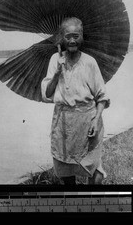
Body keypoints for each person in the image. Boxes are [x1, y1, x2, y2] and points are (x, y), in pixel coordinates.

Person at [41, 17, 110, 185]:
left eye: (76, 36)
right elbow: (48, 94)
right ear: (61, 38)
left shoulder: (90, 62)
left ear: (82, 37)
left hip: (87, 121)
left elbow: (102, 97)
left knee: (94, 169)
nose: (72, 40)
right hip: (63, 122)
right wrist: (57, 72)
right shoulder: (54, 60)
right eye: (68, 36)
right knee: (65, 169)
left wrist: (96, 119)